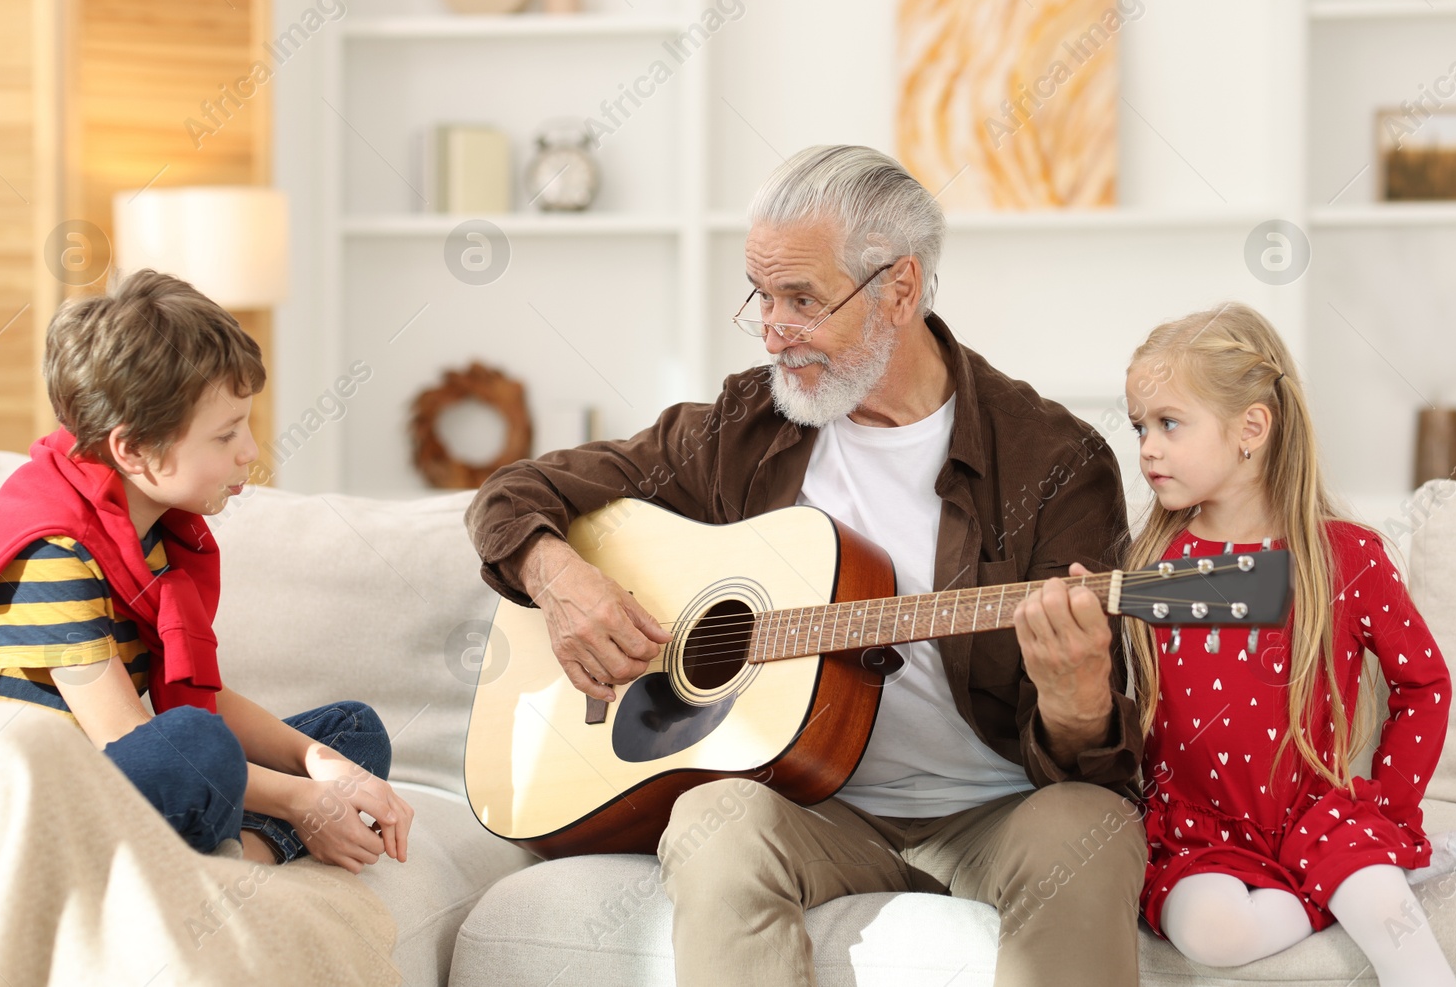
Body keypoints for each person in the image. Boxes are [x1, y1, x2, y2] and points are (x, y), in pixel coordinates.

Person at [467, 145, 1147, 986]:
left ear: (900, 289)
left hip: (995, 809)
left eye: (802, 299)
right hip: (813, 807)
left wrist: (1080, 704)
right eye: (761, 295)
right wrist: (559, 578)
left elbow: (1096, 766)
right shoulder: (746, 425)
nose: (772, 328)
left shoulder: (1053, 459)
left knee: (1093, 829)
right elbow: (511, 495)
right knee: (714, 816)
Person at [0, 269, 412, 872]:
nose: (250, 451)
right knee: (198, 748)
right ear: (133, 449)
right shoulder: (54, 556)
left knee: (352, 734)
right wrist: (308, 802)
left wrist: (320, 769)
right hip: (32, 808)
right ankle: (234, 858)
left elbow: (201, 692)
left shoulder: (145, 530)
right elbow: (122, 736)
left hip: (112, 779)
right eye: (226, 435)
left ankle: (238, 852)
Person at [1115, 302, 1456, 984]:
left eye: (1169, 423)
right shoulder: (1153, 557)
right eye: (1140, 427)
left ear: (1251, 428)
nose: (1148, 446)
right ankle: (1350, 881)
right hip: (1201, 830)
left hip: (1320, 813)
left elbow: (1425, 683)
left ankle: (1386, 862)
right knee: (1212, 934)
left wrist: (1387, 812)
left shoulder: (1346, 555)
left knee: (1411, 956)